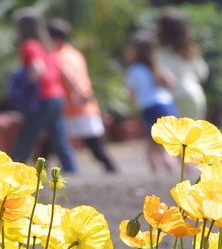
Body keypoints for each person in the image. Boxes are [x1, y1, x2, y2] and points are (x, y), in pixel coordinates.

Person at [10, 8, 77, 173]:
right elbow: (60, 69)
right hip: (57, 96)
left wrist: (24, 83)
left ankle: (13, 171)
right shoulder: (48, 46)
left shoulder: (29, 46)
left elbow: (37, 70)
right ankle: (72, 169)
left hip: (42, 97)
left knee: (26, 137)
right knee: (59, 138)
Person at [47, 18, 117, 173]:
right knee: (89, 145)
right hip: (85, 105)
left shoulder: (58, 56)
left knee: (87, 145)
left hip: (75, 107)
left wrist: (78, 94)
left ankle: (74, 170)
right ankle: (108, 168)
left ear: (55, 39)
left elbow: (69, 76)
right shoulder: (74, 53)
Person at [125, 31, 177, 172]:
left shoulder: (134, 70)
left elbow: (131, 94)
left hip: (152, 109)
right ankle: (168, 173)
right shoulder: (156, 68)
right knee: (164, 144)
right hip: (168, 106)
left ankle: (160, 175)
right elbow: (172, 83)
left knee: (155, 146)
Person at [157, 8, 208, 119]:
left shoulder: (161, 51)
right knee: (194, 135)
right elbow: (203, 73)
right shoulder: (190, 49)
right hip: (197, 95)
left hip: (179, 98)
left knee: (177, 135)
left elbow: (168, 79)